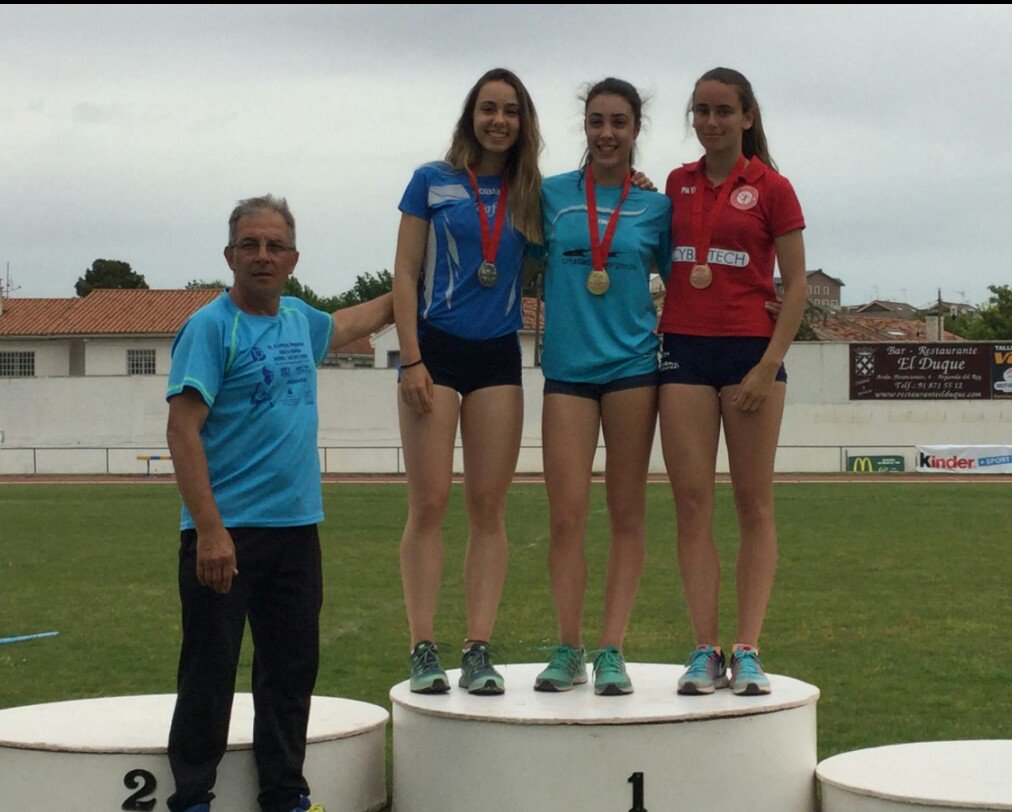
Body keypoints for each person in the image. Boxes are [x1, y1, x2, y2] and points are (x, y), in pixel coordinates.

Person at [164, 194, 393, 812]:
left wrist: (411, 284)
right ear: (229, 255)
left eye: (274, 246)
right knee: (209, 673)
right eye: (250, 245)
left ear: (293, 257)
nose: (262, 256)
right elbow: (182, 429)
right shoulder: (211, 327)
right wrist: (210, 532)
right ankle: (191, 797)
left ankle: (284, 793)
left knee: (289, 674)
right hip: (225, 535)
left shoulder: (299, 320)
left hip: (296, 530)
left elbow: (351, 323)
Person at [392, 68, 544, 695]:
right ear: (471, 115)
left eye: (510, 110)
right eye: (488, 108)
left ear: (522, 121)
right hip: (435, 350)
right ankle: (422, 647)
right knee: (429, 504)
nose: (498, 120)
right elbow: (403, 273)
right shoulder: (431, 180)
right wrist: (412, 359)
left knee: (488, 506)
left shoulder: (533, 192)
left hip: (497, 358)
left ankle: (478, 648)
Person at [659, 67, 807, 696]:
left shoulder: (773, 187)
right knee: (692, 505)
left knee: (753, 504)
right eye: (701, 110)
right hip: (684, 351)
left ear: (747, 117)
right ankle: (703, 648)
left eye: (723, 110)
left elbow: (797, 286)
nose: (711, 121)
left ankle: (746, 648)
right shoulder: (675, 184)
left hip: (752, 354)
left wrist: (768, 363)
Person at [533, 78, 672, 696]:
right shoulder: (550, 195)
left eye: (619, 122)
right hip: (566, 372)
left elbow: (691, 281)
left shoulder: (656, 207)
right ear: (584, 127)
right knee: (566, 516)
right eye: (596, 121)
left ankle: (612, 649)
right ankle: (569, 647)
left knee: (626, 515)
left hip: (633, 371)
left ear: (636, 129)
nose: (607, 133)